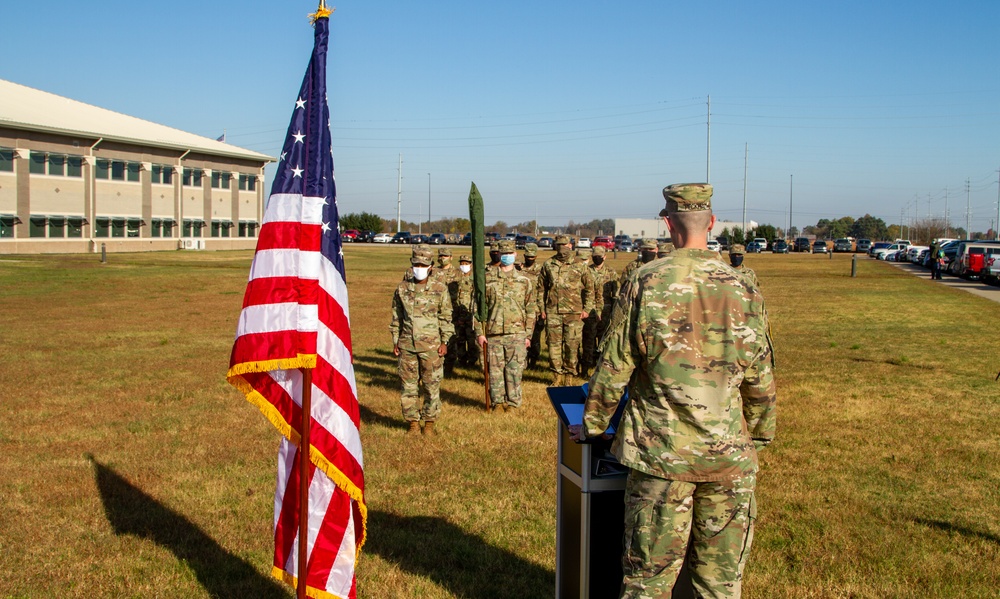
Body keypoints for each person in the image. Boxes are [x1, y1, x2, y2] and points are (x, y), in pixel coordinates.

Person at [572, 183, 776, 597]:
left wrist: (593, 424)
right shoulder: (745, 288)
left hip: (661, 459)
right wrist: (759, 431)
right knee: (720, 584)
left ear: (668, 224)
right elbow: (760, 375)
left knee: (648, 581)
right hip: (728, 458)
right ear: (712, 223)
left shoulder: (646, 282)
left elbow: (614, 366)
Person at [389, 245, 454, 436]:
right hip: (407, 345)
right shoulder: (402, 289)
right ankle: (412, 423)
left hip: (432, 347)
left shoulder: (439, 289)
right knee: (408, 387)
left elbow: (446, 317)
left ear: (431, 266)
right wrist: (395, 341)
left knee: (431, 386)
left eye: (423, 264)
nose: (419, 267)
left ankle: (429, 424)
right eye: (416, 264)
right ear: (411, 264)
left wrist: (445, 342)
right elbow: (396, 318)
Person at [474, 239, 537, 412]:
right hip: (493, 332)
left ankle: (513, 403)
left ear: (515, 255)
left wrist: (528, 335)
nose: (507, 256)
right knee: (494, 371)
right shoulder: (487, 280)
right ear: (499, 255)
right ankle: (498, 402)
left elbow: (531, 309)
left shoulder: (524, 281)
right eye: (504, 254)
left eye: (510, 253)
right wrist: (480, 333)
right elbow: (478, 309)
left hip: (516, 333)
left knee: (514, 370)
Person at [539, 234, 593, 386]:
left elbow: (590, 288)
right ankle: (556, 376)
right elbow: (541, 288)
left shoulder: (579, 265)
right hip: (553, 311)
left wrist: (587, 309)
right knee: (553, 346)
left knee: (572, 345)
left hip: (574, 312)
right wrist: (541, 308)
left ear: (570, 246)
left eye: (564, 245)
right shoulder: (548, 264)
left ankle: (569, 375)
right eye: (559, 245)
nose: (562, 248)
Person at [581, 245, 618, 377]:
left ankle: (601, 369)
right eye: (595, 257)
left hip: (606, 312)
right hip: (590, 311)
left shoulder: (611, 272)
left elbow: (616, 293)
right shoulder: (586, 271)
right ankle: (585, 369)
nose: (597, 259)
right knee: (588, 341)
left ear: (604, 257)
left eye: (599, 257)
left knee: (604, 342)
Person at [517, 242, 546, 369]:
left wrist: (542, 309)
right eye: (528, 256)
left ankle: (533, 362)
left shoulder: (541, 270)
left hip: (535, 309)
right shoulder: (518, 269)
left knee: (535, 338)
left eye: (532, 257)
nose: (530, 259)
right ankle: (522, 361)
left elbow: (543, 290)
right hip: (520, 309)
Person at [453, 254, 480, 367]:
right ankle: (462, 360)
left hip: (470, 314)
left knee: (471, 340)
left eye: (466, 263)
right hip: (458, 314)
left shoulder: (475, 279)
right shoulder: (456, 278)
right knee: (460, 339)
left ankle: (472, 361)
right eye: (462, 263)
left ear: (471, 265)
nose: (464, 265)